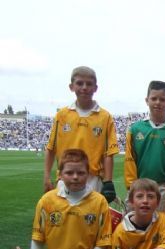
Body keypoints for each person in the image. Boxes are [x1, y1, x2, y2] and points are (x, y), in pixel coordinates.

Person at [44, 66, 119, 202]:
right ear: (71, 86)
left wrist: (108, 182)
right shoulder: (61, 115)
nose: (84, 87)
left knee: (90, 220)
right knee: (65, 218)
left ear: (95, 88)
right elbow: (51, 148)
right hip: (65, 176)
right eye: (79, 83)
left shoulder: (105, 117)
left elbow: (108, 153)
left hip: (93, 179)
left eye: (89, 84)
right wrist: (47, 176)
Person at [124, 80, 165, 238]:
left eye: (162, 99)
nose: (158, 103)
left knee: (157, 227)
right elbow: (130, 160)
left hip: (162, 188)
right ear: (147, 100)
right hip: (137, 185)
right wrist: (131, 186)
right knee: (132, 226)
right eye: (154, 98)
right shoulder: (136, 129)